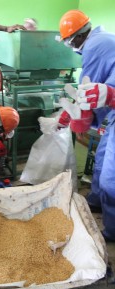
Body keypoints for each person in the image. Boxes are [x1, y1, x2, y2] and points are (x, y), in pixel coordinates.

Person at [58, 9, 115, 242]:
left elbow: (86, 92)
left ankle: (112, 231)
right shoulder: (103, 39)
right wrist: (65, 115)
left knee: (111, 177)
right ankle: (96, 201)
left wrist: (73, 120)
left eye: (69, 42)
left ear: (76, 37)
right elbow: (89, 93)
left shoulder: (94, 46)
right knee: (101, 158)